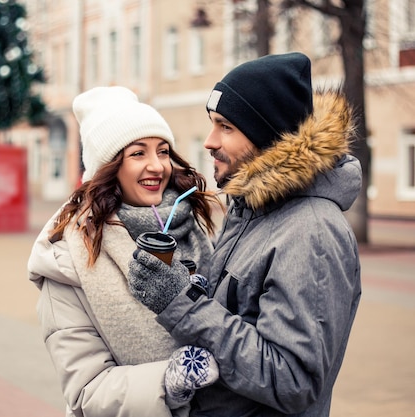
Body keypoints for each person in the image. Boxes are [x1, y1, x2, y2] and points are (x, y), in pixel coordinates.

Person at [127, 52, 362, 417]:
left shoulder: (311, 232)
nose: (208, 141)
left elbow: (293, 380)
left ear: (268, 136)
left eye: (225, 126)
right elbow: (239, 315)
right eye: (211, 123)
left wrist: (181, 303)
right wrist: (190, 283)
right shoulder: (250, 209)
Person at [27, 86, 224, 417]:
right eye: (137, 154)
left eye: (163, 151)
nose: (157, 166)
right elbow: (86, 391)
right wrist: (168, 381)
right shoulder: (67, 256)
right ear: (109, 167)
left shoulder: (199, 226)